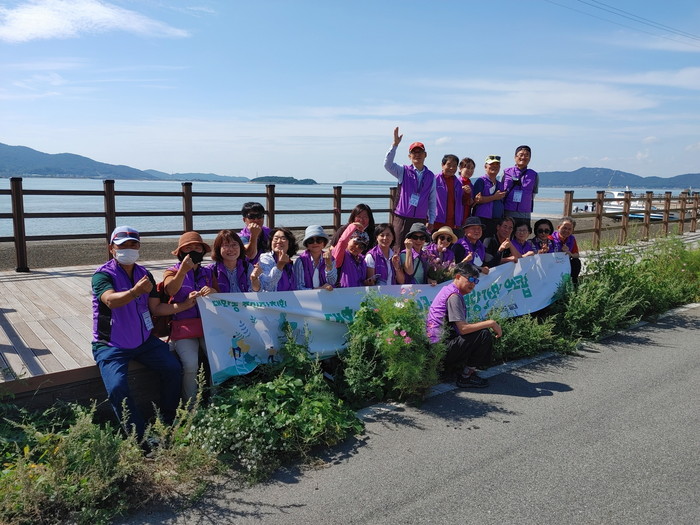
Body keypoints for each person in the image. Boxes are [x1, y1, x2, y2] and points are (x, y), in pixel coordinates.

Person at [92, 226, 192, 441]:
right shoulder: (102, 275)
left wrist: (184, 306)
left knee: (173, 368)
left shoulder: (144, 274)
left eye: (133, 244)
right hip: (111, 344)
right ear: (111, 248)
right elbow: (110, 300)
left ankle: (167, 420)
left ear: (139, 247)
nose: (128, 249)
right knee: (117, 387)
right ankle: (140, 437)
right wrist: (135, 292)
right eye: (122, 246)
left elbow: (156, 308)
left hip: (144, 341)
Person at [425, 261, 502, 388]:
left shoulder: (448, 290)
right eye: (470, 279)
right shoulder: (454, 296)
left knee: (478, 332)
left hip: (438, 347)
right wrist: (491, 323)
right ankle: (465, 377)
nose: (473, 283)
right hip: (440, 351)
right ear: (458, 276)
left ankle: (453, 369)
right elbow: (463, 329)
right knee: (483, 334)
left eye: (476, 281)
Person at [164, 231, 218, 404]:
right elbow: (170, 290)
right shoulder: (172, 271)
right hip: (183, 326)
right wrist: (182, 271)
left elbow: (218, 294)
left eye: (197, 247)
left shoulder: (208, 272)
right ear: (180, 252)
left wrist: (212, 291)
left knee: (217, 360)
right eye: (188, 248)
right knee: (190, 364)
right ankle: (190, 406)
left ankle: (216, 401)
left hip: (207, 324)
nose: (193, 251)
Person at [384, 127, 436, 249]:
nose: (417, 155)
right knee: (397, 248)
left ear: (425, 155)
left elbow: (432, 200)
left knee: (417, 250)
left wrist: (431, 220)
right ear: (409, 156)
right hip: (402, 217)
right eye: (414, 152)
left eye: (420, 152)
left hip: (420, 219)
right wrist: (395, 145)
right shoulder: (403, 171)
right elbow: (387, 164)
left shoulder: (431, 176)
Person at [502, 145, 538, 227]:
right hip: (507, 212)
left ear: (530, 158)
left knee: (522, 234)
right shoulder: (506, 172)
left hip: (524, 214)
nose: (523, 157)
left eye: (527, 155)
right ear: (515, 157)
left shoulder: (534, 175)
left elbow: (533, 194)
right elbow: (500, 191)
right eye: (521, 155)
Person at [294, 225, 337, 291]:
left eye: (319, 240)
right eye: (311, 240)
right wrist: (319, 289)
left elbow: (332, 282)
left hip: (327, 296)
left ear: (324, 243)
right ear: (307, 244)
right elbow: (299, 287)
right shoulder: (300, 261)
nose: (315, 243)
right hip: (307, 297)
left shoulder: (331, 259)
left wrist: (328, 264)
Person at [472, 154, 506, 239]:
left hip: (497, 220)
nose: (494, 166)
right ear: (485, 166)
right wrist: (494, 197)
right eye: (491, 164)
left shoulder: (500, 184)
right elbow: (476, 200)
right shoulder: (481, 181)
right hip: (482, 219)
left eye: (497, 164)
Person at [434, 154, 465, 231]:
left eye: (454, 166)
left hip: (452, 223)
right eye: (449, 165)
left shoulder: (458, 183)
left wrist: (467, 193)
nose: (452, 168)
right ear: (442, 165)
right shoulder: (434, 180)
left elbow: (462, 202)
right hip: (436, 221)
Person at [550, 216, 581, 284]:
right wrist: (561, 252)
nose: (566, 231)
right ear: (558, 227)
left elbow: (577, 255)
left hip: (564, 263)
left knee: (576, 261)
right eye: (564, 228)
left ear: (572, 230)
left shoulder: (571, 239)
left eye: (569, 229)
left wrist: (570, 254)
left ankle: (574, 283)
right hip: (552, 264)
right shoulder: (550, 238)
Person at [459, 157, 476, 221]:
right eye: (468, 168)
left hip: (467, 216)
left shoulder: (471, 185)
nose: (470, 171)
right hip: (457, 216)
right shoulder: (457, 183)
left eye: (472, 168)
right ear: (460, 168)